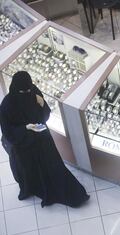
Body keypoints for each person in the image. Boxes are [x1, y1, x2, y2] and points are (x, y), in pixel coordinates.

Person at [0, 71, 89, 207]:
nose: (28, 92)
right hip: (24, 145)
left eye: (29, 89)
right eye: (24, 91)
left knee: (53, 166)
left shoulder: (33, 91)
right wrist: (25, 128)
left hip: (42, 137)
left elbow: (44, 116)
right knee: (30, 170)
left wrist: (42, 104)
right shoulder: (7, 105)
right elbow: (8, 133)